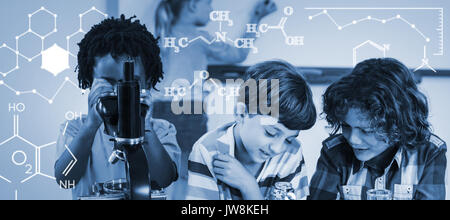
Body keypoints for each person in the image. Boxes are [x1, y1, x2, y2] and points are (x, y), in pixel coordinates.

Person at [153, 0, 277, 199]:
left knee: (164, 172)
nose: (211, 9)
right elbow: (238, 54)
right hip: (188, 109)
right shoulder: (199, 37)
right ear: (192, 5)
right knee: (190, 172)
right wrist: (257, 17)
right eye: (208, 4)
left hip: (158, 110)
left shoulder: (159, 38)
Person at [54, 15, 181, 199]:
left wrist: (144, 125)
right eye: (108, 82)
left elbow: (162, 179)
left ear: (149, 82)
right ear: (90, 82)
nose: (119, 93)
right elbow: (65, 179)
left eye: (130, 84)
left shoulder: (161, 131)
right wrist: (90, 125)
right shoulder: (75, 129)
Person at [308, 58, 447, 200]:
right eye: (346, 126)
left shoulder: (429, 152)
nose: (352, 139)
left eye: (366, 131)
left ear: (398, 124)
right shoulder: (334, 152)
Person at [185, 60, 317, 200]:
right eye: (270, 132)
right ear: (242, 113)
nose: (277, 148)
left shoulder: (291, 152)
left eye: (289, 139)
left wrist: (248, 186)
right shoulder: (207, 150)